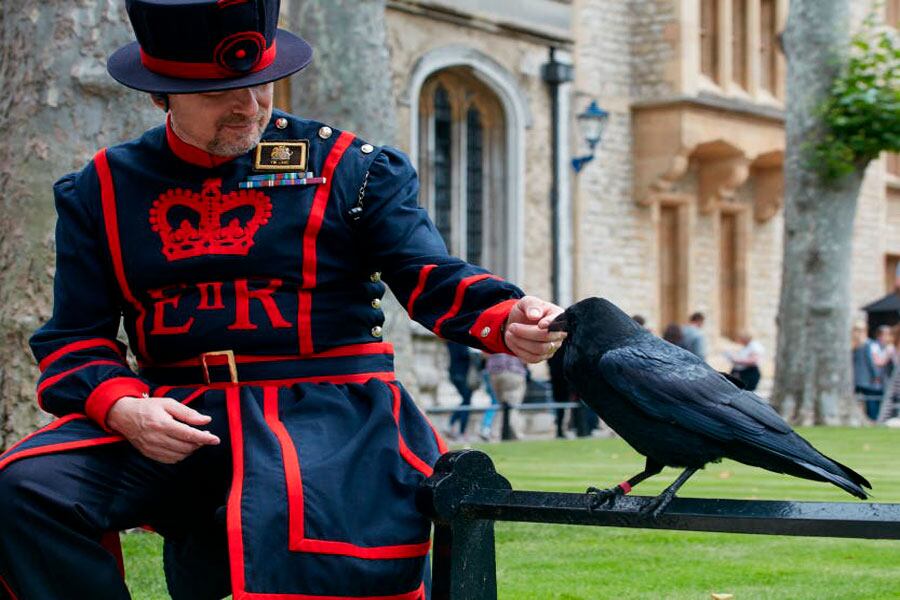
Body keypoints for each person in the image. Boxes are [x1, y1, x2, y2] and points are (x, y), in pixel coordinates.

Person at [0, 2, 565, 598]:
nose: (248, 106)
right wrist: (121, 407)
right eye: (220, 92)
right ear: (160, 96)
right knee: (26, 491)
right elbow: (73, 337)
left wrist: (505, 316)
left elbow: (427, 272)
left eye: (259, 83)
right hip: (174, 416)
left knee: (302, 533)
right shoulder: (101, 188)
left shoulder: (351, 167)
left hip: (332, 414)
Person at [483, 353, 528, 440]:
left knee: (502, 407)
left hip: (494, 372)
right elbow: (525, 357)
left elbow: (484, 354)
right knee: (512, 407)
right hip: (513, 371)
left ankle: (495, 434)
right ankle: (516, 435)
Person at [852, 321, 882, 421]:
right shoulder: (869, 344)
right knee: (871, 400)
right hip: (867, 379)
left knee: (860, 400)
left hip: (855, 379)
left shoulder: (852, 345)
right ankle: (873, 418)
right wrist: (876, 375)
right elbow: (871, 362)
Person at [445, 341, 475, 439]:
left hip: (454, 372)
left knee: (465, 400)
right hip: (461, 373)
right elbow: (464, 354)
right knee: (467, 401)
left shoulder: (450, 341)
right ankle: (460, 429)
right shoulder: (459, 341)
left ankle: (452, 425)